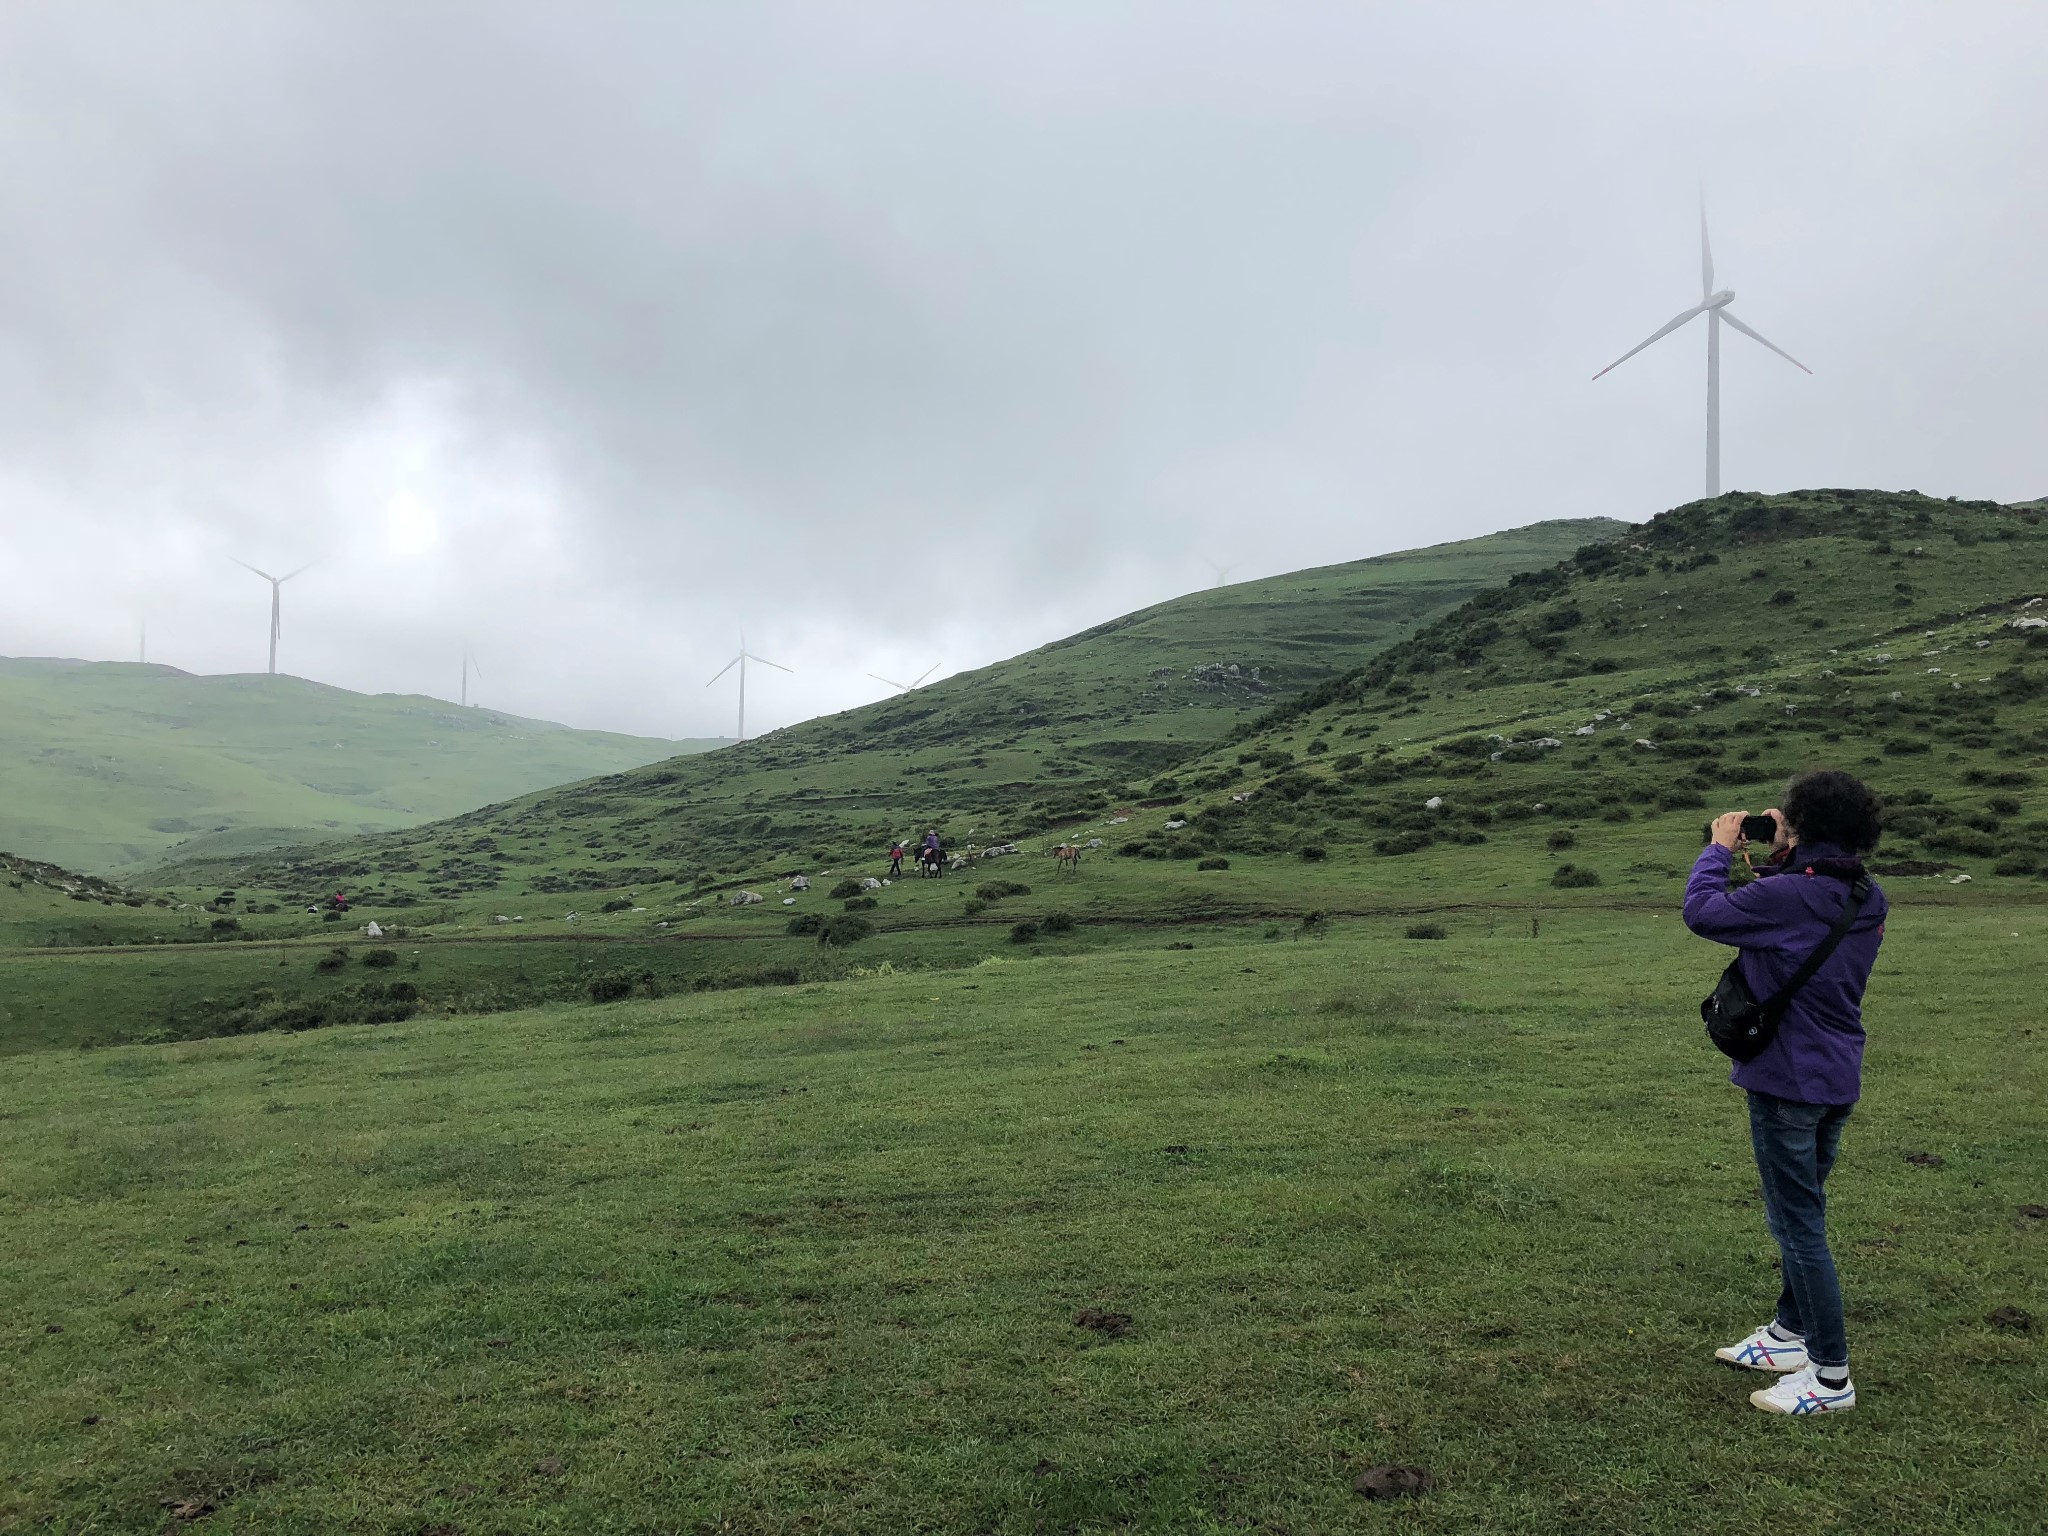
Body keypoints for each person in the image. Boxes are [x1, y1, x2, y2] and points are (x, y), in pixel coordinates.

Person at [1683, 769, 1888, 1416]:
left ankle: (1829, 1379)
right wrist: (1785, 855)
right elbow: (1797, 903)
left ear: (1801, 826)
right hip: (1835, 1075)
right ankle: (1787, 1336)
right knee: (1807, 1210)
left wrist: (1719, 849)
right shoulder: (1864, 893)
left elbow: (1704, 912)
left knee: (1797, 1224)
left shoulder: (1791, 896)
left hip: (1786, 1079)